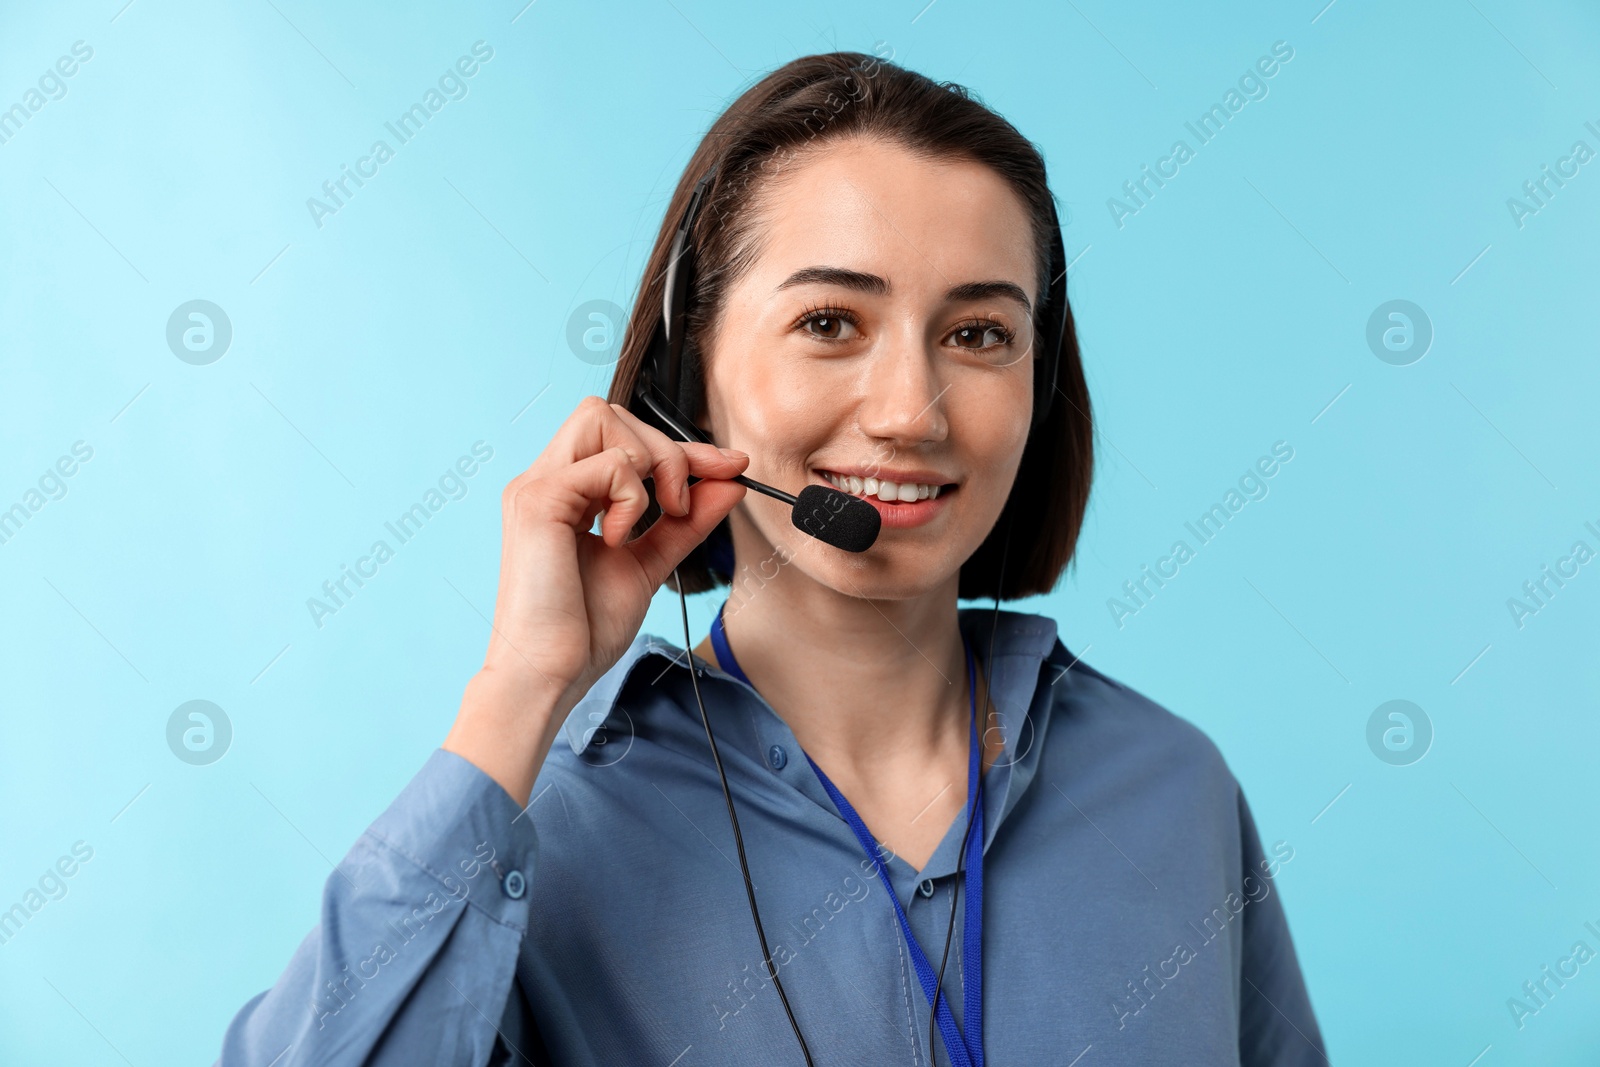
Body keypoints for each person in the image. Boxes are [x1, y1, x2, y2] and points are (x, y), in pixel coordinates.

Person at [216, 52, 1325, 1066]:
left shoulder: (1172, 788)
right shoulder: (540, 832)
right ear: (690, 366)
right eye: (831, 322)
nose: (908, 411)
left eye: (978, 333)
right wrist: (521, 689)